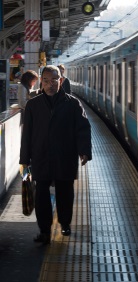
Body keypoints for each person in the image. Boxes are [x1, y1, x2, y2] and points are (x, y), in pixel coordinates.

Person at [19, 65, 92, 244]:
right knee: (41, 194)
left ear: (61, 81)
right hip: (40, 156)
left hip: (65, 155)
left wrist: (84, 151)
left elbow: (82, 129)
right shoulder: (32, 105)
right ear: (41, 82)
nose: (50, 84)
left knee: (65, 192)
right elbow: (26, 134)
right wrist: (24, 160)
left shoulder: (73, 103)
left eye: (54, 80)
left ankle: (65, 223)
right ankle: (44, 230)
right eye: (46, 81)